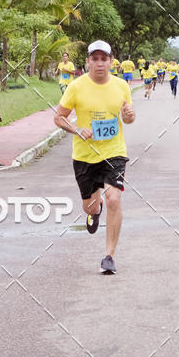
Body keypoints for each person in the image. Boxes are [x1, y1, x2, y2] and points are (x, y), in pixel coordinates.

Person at [54, 40, 136, 274]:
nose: (100, 63)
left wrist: (129, 115)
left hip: (114, 152)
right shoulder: (76, 87)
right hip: (84, 155)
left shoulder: (121, 86)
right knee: (90, 206)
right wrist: (77, 129)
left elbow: (128, 118)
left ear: (111, 61)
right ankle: (95, 211)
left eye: (104, 59)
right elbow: (58, 118)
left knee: (114, 199)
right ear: (88, 61)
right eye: (95, 59)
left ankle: (109, 255)